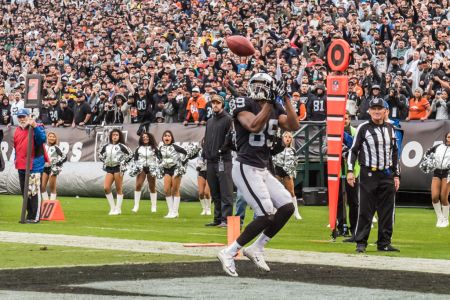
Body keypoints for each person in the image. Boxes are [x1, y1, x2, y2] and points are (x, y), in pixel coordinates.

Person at [217, 73, 300, 277]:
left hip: (262, 168)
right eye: (258, 85)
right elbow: (253, 125)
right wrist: (270, 103)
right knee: (265, 214)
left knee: (287, 206)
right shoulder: (243, 102)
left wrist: (286, 97)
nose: (261, 88)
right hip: (245, 166)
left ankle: (257, 247)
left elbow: (293, 125)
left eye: (265, 85)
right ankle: (229, 252)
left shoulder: (274, 106)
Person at [347, 98, 401, 253]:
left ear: (385, 111)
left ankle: (384, 242)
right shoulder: (363, 128)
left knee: (387, 210)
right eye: (374, 108)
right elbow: (353, 151)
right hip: (368, 173)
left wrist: (397, 175)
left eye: (380, 108)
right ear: (369, 111)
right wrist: (350, 171)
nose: (377, 111)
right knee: (365, 208)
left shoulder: (391, 129)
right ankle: (361, 242)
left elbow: (395, 153)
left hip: (387, 174)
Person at [203, 94, 234, 227]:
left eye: (218, 103)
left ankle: (226, 219)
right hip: (211, 161)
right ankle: (218, 218)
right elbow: (206, 139)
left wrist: (222, 149)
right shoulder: (210, 121)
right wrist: (205, 153)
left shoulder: (228, 119)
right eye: (213, 103)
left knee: (226, 191)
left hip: (223, 160)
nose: (215, 105)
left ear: (222, 104)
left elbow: (231, 138)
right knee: (215, 191)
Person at [13, 108, 47, 223]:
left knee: (34, 192)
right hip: (21, 165)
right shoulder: (17, 130)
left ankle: (35, 217)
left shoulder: (36, 127)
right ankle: (29, 214)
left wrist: (35, 126)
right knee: (25, 193)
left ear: (29, 117)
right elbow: (16, 148)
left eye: (24, 116)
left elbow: (42, 139)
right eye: (20, 117)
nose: (22, 119)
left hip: (34, 166)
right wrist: (16, 161)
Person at [98, 129, 133, 215]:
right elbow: (100, 154)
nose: (115, 136)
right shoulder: (106, 146)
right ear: (111, 136)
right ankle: (112, 208)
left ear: (119, 136)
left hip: (118, 168)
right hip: (109, 168)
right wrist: (104, 160)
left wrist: (123, 162)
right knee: (106, 188)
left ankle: (118, 209)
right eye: (113, 135)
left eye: (117, 135)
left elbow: (131, 154)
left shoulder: (122, 146)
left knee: (118, 188)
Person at [339, 112, 360, 242]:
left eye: (346, 118)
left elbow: (357, 149)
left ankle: (355, 229)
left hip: (353, 172)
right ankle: (340, 227)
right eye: (342, 118)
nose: (344, 120)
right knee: (339, 201)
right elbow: (325, 148)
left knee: (354, 202)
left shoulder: (355, 131)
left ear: (349, 119)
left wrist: (346, 151)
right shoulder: (333, 132)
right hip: (337, 171)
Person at [272, 131, 301, 220]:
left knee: (291, 192)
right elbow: (272, 158)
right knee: (274, 191)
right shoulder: (277, 147)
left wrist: (291, 173)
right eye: (286, 137)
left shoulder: (293, 150)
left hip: (287, 172)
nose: (287, 138)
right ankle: (273, 210)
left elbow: (295, 162)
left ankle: (296, 212)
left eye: (289, 137)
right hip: (277, 170)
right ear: (282, 138)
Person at [159, 130, 187, 218]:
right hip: (166, 170)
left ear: (172, 138)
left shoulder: (175, 146)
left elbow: (186, 153)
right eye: (165, 136)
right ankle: (170, 211)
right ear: (163, 138)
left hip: (176, 169)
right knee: (167, 190)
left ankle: (175, 212)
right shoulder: (161, 148)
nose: (167, 137)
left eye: (169, 136)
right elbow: (159, 158)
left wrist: (182, 164)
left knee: (175, 190)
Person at [424, 133, 450, 228]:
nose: (449, 139)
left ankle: (446, 219)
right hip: (437, 172)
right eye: (448, 137)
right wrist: (429, 162)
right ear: (446, 138)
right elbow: (427, 153)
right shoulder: (439, 146)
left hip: (448, 173)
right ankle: (440, 218)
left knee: (443, 198)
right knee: (434, 197)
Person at [131, 132, 161, 213]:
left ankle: (154, 206)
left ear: (150, 138)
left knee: (152, 187)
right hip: (142, 168)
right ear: (141, 138)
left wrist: (157, 166)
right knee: (138, 185)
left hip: (152, 168)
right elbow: (135, 159)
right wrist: (136, 167)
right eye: (143, 137)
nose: (145, 138)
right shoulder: (138, 148)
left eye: (147, 137)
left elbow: (160, 158)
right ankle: (136, 205)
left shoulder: (155, 148)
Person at [41, 132, 67, 201]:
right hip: (44, 168)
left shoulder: (56, 147)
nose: (51, 138)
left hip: (53, 169)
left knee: (52, 187)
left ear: (55, 138)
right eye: (50, 136)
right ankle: (46, 202)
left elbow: (65, 157)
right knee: (42, 187)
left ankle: (52, 204)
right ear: (47, 137)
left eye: (53, 137)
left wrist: (58, 163)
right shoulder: (43, 146)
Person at [196, 139, 211, 215]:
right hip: (201, 171)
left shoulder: (212, 150)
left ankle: (208, 208)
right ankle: (204, 208)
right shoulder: (199, 150)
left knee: (206, 192)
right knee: (201, 193)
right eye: (204, 141)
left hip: (209, 171)